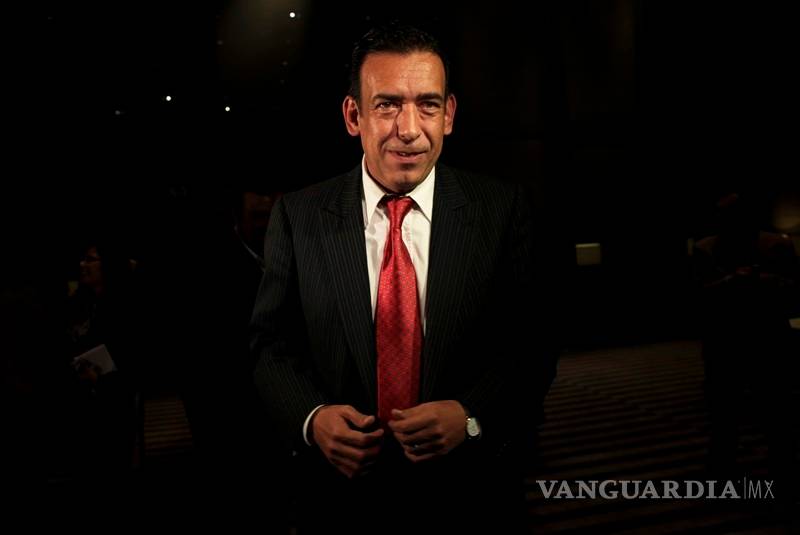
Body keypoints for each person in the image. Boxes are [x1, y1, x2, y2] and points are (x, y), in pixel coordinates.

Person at [250, 23, 557, 534]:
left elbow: (532, 342)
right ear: (354, 116)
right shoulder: (298, 216)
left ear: (449, 114)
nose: (409, 129)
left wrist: (471, 415)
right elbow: (269, 344)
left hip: (471, 491)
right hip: (339, 494)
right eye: (388, 105)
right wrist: (312, 418)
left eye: (427, 105)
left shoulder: (502, 210)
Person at [693, 192, 798, 510]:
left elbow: (794, 288)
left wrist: (760, 282)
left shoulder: (775, 246)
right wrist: (732, 283)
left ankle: (771, 471)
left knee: (771, 407)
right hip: (732, 338)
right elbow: (696, 296)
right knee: (727, 408)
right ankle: (729, 471)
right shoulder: (707, 248)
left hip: (758, 337)